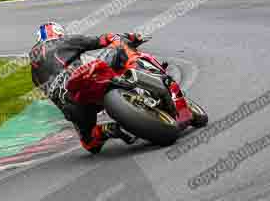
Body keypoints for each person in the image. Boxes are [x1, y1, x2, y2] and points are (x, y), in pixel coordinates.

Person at [29, 22, 171, 154]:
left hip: (71, 107)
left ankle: (108, 130)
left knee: (90, 144)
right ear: (58, 33)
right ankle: (146, 74)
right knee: (118, 52)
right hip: (86, 81)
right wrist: (131, 37)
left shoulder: (33, 71)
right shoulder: (64, 41)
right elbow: (105, 38)